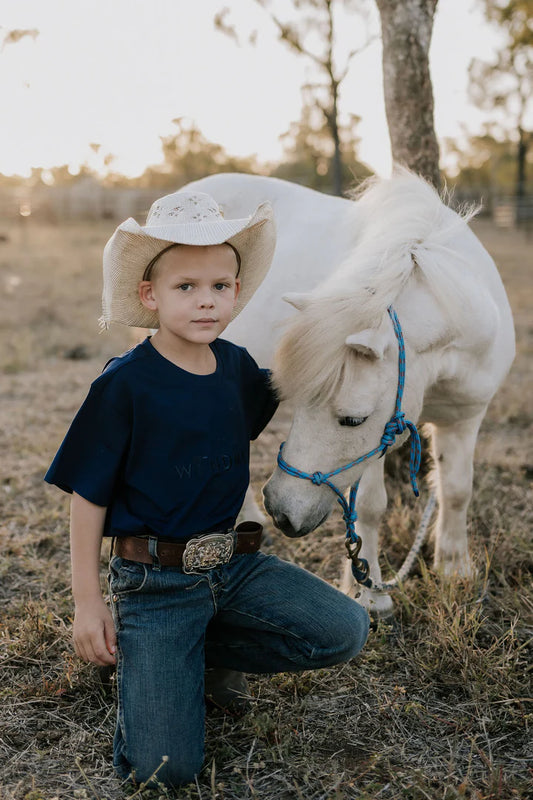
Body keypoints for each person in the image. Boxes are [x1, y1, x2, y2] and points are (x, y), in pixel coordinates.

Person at [45, 190, 370, 789]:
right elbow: (86, 496)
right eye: (186, 287)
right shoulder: (124, 387)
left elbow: (302, 395)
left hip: (236, 567)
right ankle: (160, 662)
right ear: (150, 295)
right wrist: (88, 603)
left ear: (238, 294)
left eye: (221, 287)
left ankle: (201, 650)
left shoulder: (239, 367)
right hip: (157, 582)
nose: (206, 301)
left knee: (345, 630)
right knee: (166, 771)